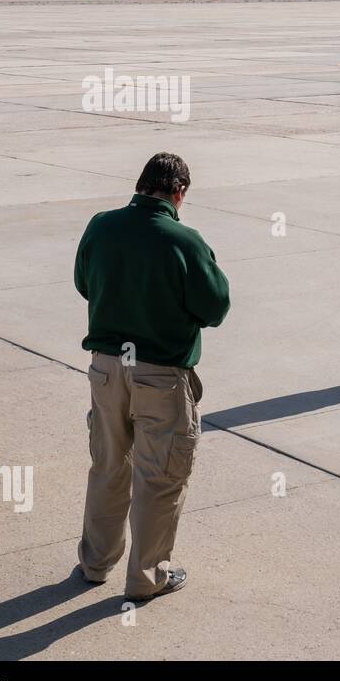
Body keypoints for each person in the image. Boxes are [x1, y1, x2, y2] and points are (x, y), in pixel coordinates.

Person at [74, 153, 230, 602]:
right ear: (178, 193)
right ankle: (147, 576)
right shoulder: (185, 240)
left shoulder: (101, 225)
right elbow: (214, 308)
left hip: (106, 370)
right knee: (159, 476)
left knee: (107, 466)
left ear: (140, 184)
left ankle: (96, 563)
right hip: (160, 375)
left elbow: (85, 283)